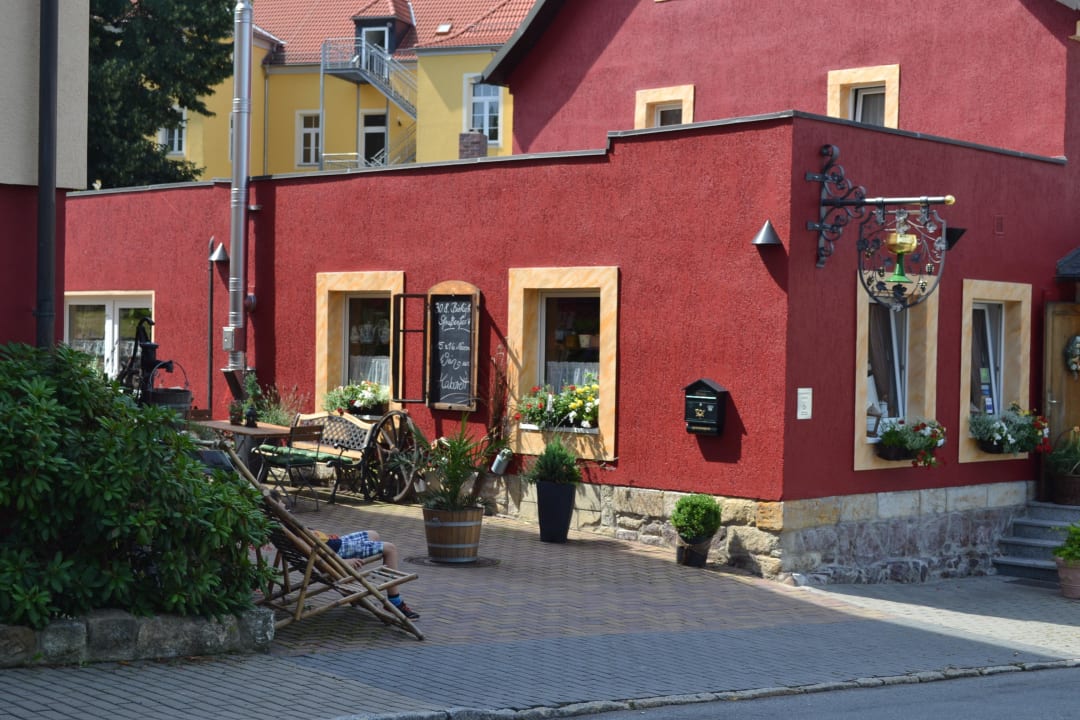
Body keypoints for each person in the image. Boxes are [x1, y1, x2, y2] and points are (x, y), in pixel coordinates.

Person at [315, 528, 420, 620]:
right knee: (390, 549)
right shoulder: (304, 540)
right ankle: (395, 601)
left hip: (335, 543)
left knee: (373, 534)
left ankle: (355, 596)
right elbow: (315, 554)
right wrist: (342, 561)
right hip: (337, 552)